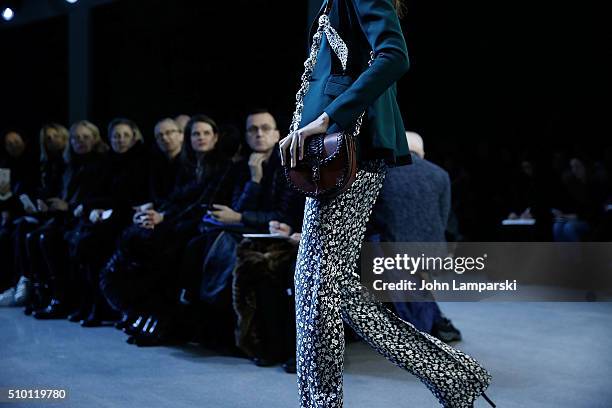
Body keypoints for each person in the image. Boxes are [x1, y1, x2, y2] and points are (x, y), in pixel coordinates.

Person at [279, 1, 494, 407]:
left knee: (316, 288)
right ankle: (453, 375)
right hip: (330, 155)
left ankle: (322, 402)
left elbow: (394, 56)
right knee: (327, 286)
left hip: (348, 150)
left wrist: (329, 117)